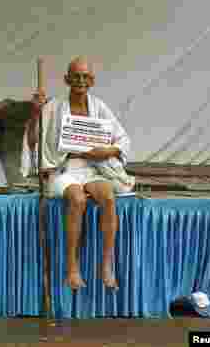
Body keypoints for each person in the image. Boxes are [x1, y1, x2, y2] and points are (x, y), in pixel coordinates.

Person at [23, 57, 134, 290]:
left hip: (93, 168)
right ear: (67, 79)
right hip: (63, 170)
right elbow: (33, 141)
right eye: (76, 76)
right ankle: (72, 268)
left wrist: (107, 150)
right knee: (77, 198)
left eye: (85, 76)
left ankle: (106, 265)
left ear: (92, 81)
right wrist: (35, 113)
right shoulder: (52, 106)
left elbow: (122, 140)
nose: (80, 81)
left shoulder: (99, 107)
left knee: (108, 196)